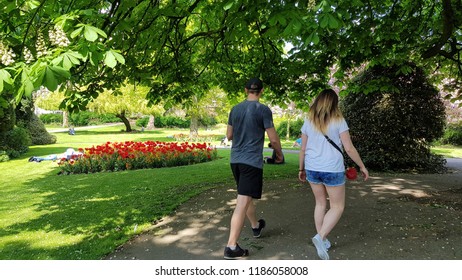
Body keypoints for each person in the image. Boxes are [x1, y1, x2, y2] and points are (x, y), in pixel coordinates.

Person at [298, 89, 369, 260]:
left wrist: (301, 169)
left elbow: (303, 148)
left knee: (320, 204)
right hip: (332, 168)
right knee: (337, 206)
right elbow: (349, 148)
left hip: (313, 167)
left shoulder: (309, 121)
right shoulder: (339, 120)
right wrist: (362, 166)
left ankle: (322, 238)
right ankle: (320, 237)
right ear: (334, 103)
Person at [224, 77, 283, 259]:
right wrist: (279, 155)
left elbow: (229, 135)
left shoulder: (235, 109)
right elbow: (273, 139)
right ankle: (231, 247)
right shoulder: (263, 110)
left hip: (236, 161)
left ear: (245, 90)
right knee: (242, 203)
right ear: (261, 91)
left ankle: (256, 225)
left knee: (245, 196)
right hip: (251, 162)